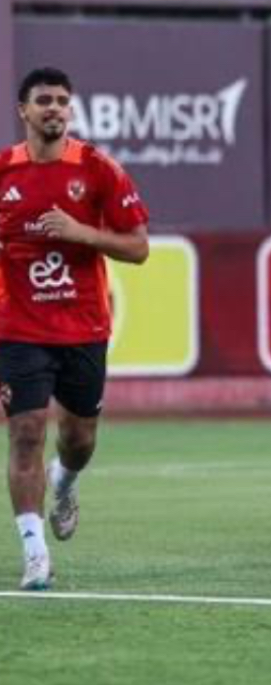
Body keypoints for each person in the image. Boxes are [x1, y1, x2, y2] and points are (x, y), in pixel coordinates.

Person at [0, 67, 150, 590]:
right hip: (19, 329)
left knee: (79, 438)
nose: (55, 109)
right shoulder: (4, 171)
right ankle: (34, 551)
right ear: (23, 111)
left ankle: (64, 481)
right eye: (44, 100)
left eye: (63, 101)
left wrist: (80, 232)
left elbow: (139, 247)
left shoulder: (97, 169)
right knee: (25, 432)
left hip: (83, 327)